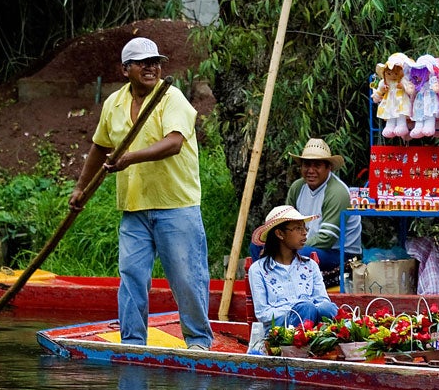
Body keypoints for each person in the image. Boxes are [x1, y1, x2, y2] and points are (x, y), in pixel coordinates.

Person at [69, 37, 213, 351]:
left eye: (155, 62)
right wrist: (81, 188)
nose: (151, 68)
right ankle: (133, 343)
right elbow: (100, 147)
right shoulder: (114, 104)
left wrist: (131, 157)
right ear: (126, 69)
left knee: (187, 279)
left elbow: (174, 143)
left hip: (177, 205)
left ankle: (199, 343)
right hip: (134, 207)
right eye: (142, 63)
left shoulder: (171, 97)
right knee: (132, 277)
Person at [278, 138, 362, 271]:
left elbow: (326, 238)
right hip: (305, 245)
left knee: (298, 254)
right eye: (306, 165)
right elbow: (286, 222)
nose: (310, 171)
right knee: (258, 246)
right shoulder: (297, 187)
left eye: (317, 165)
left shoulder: (337, 192)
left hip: (340, 253)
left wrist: (290, 245)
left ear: (328, 168)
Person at [247, 205, 339, 326]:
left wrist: (309, 308)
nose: (304, 233)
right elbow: (263, 314)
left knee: (327, 308)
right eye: (297, 228)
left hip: (313, 325)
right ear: (280, 234)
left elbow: (322, 300)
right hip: (280, 331)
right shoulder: (258, 269)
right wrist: (296, 309)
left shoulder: (310, 266)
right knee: (306, 308)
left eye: (305, 228)